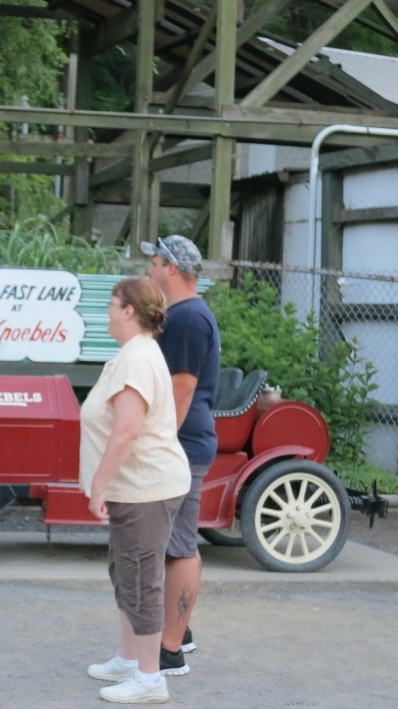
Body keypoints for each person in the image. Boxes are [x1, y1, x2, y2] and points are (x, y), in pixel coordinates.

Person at [81, 277, 191, 705]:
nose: (108, 310)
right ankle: (130, 659)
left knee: (142, 578)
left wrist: (98, 483)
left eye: (112, 303)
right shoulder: (135, 354)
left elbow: (127, 431)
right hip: (138, 488)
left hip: (146, 487)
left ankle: (149, 679)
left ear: (129, 311)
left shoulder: (137, 359)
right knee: (126, 571)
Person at [143, 235, 221, 676]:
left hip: (182, 446)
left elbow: (183, 385)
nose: (150, 270)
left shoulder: (188, 319)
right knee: (176, 543)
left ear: (171, 268)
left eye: (154, 262)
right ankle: (180, 630)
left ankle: (169, 651)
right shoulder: (183, 315)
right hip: (183, 443)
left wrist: (160, 443)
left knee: (180, 546)